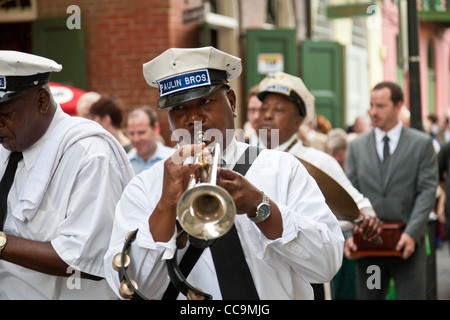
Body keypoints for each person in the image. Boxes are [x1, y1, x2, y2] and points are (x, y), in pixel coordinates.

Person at [104, 46, 344, 300]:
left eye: (205, 102)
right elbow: (131, 289)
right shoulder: (146, 186)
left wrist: (260, 207)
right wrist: (166, 207)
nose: (193, 118)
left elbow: (326, 266)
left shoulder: (282, 168)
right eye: (178, 109)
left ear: (231, 102)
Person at [0, 50, 134, 299]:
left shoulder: (90, 155)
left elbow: (86, 258)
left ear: (42, 101)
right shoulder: (7, 148)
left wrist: (2, 243)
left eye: (5, 115)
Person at [256, 71, 382, 299]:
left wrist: (367, 215)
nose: (267, 116)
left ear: (297, 121)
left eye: (278, 110)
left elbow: (356, 203)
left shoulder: (318, 161)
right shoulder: (246, 158)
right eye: (264, 109)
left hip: (303, 276)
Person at [345, 81, 438, 299]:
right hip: (369, 249)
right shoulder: (357, 147)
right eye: (371, 105)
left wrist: (412, 234)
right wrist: (348, 233)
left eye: (381, 106)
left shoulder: (421, 144)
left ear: (398, 106)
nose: (373, 112)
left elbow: (426, 192)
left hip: (407, 247)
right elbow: (349, 192)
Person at [126, 105, 173, 174]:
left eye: (141, 132)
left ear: (155, 128)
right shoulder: (126, 165)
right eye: (132, 134)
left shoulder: (172, 160)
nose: (136, 139)